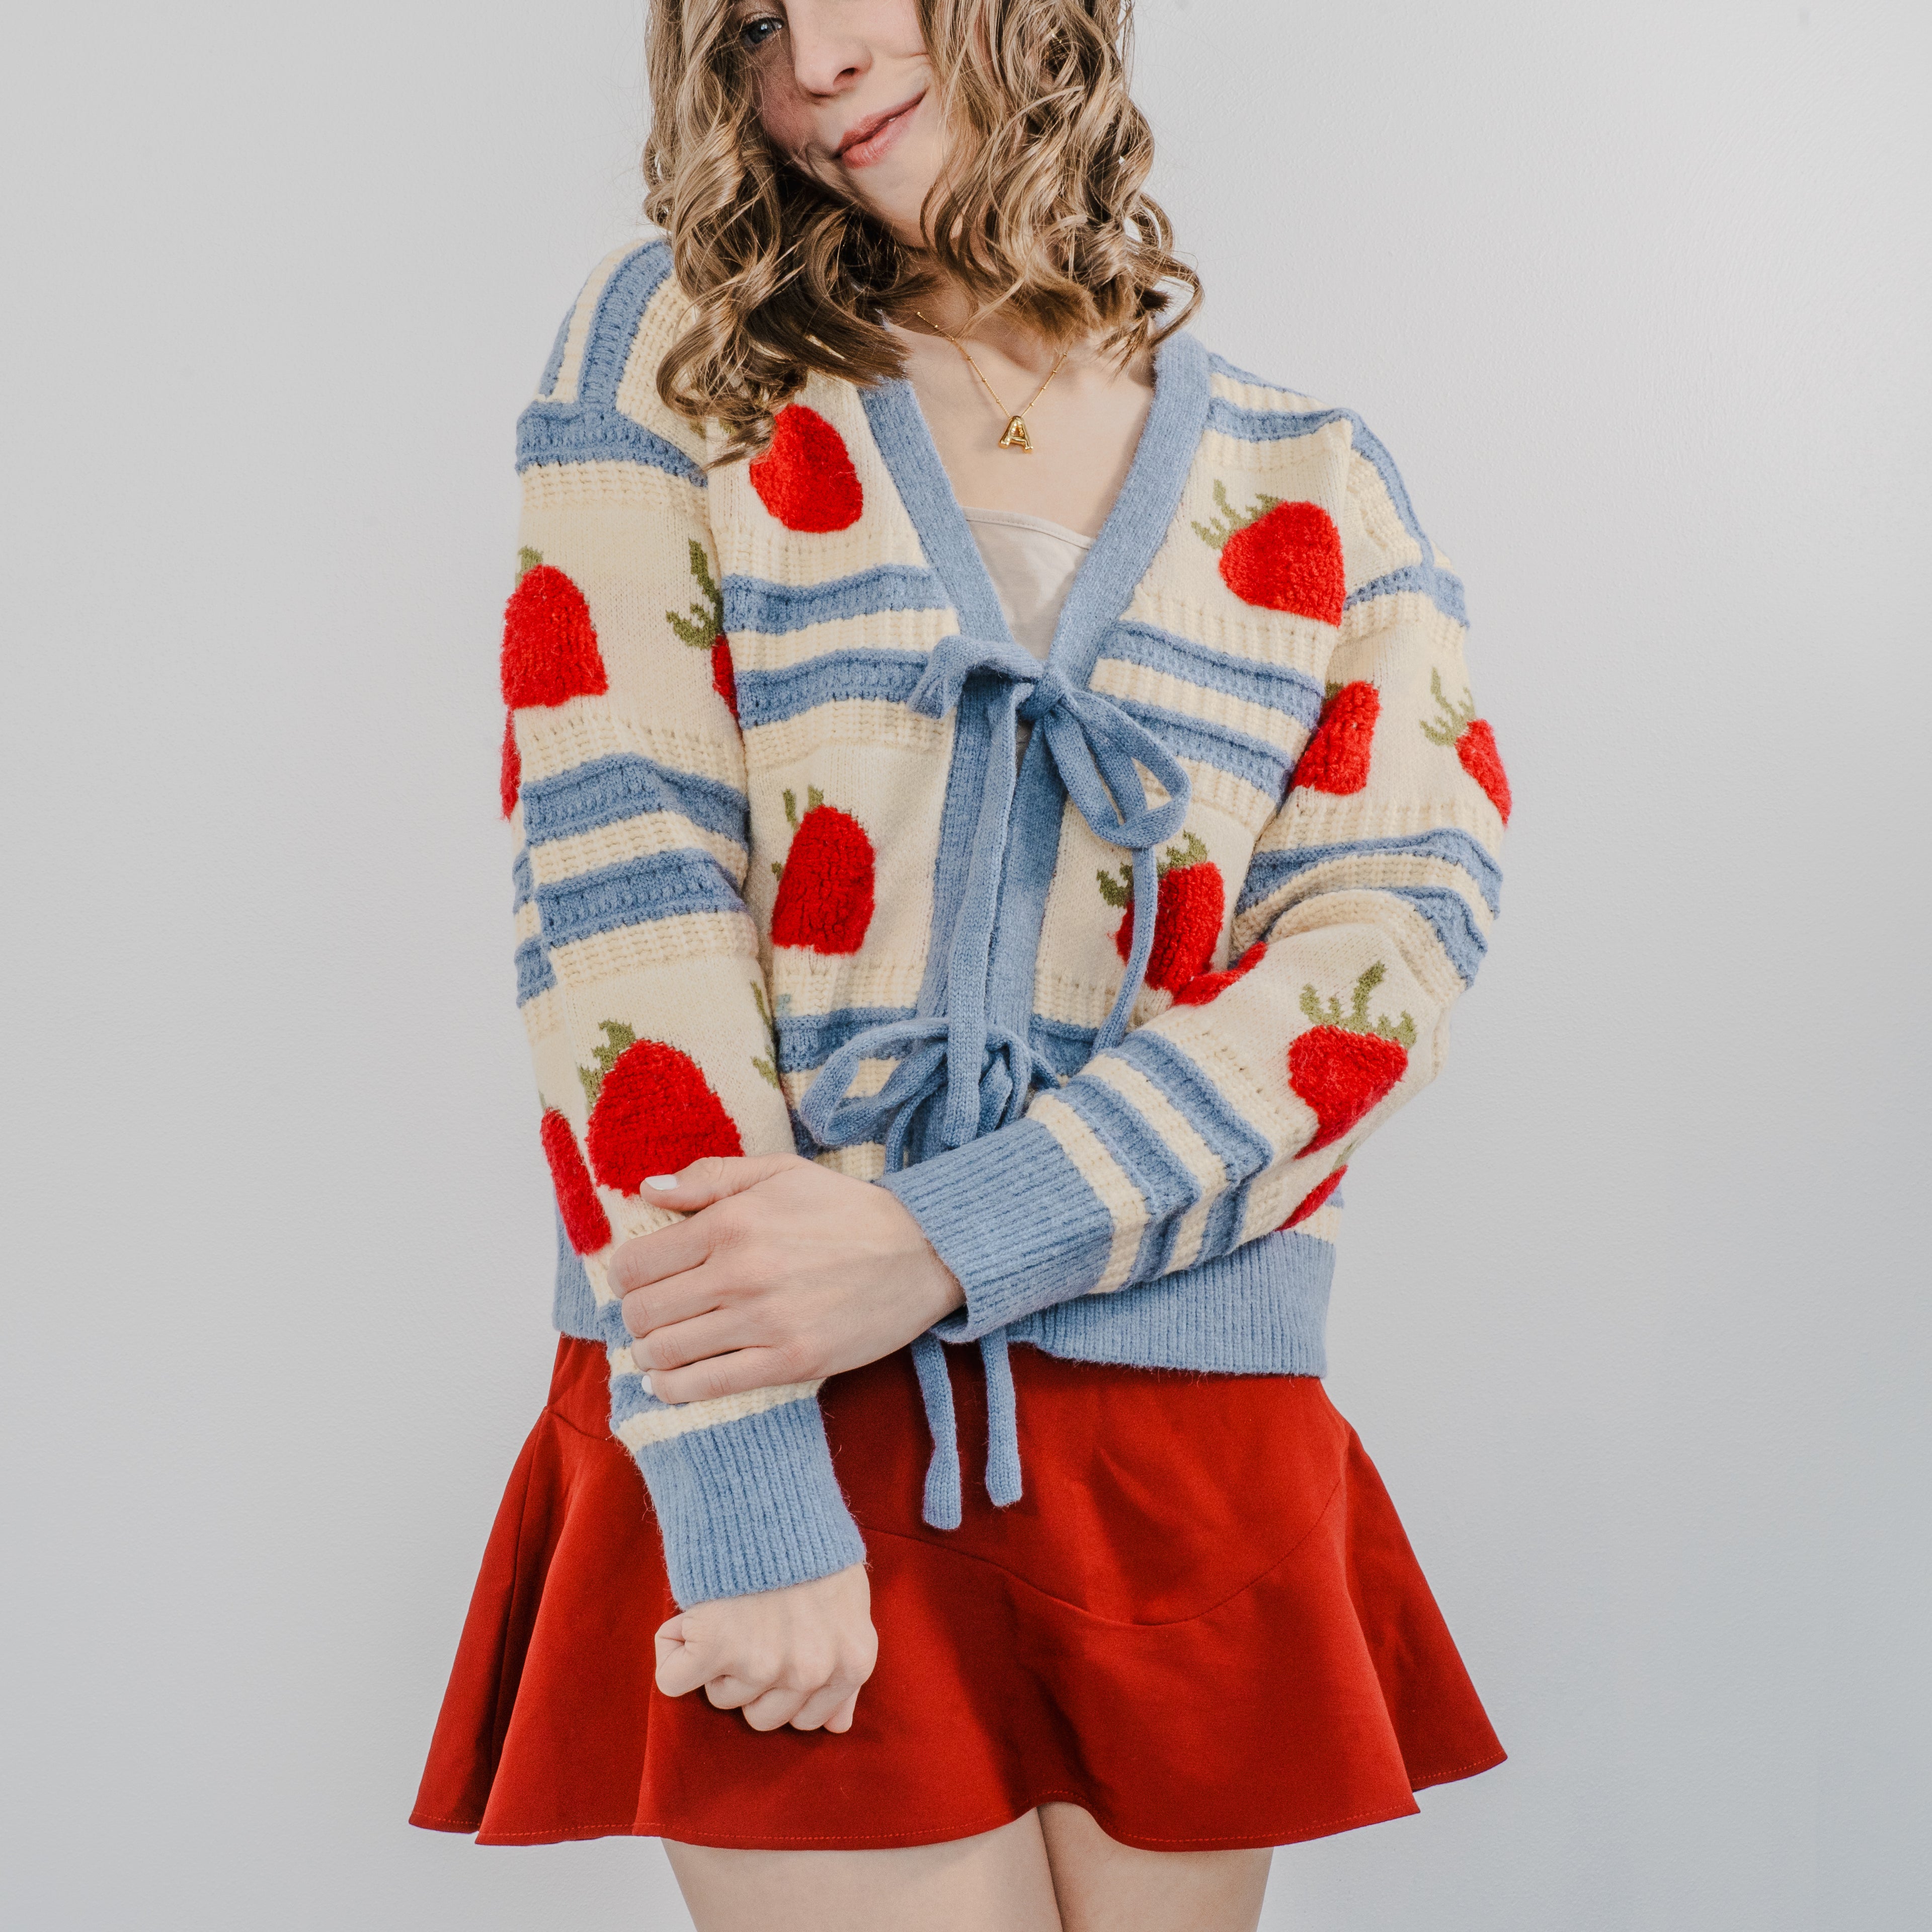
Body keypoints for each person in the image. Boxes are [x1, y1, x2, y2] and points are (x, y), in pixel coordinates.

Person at [412, 2, 1512, 1925]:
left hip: (1176, 1427)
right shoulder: (678, 363)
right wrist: (748, 1489)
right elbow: (618, 912)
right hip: (774, 1390)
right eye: (750, 21)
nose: (816, 59)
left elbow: (1386, 957)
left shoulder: (1317, 480)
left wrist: (944, 1239)